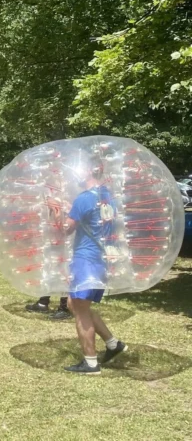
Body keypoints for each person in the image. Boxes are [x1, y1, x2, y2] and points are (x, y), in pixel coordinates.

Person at [49, 157, 127, 374]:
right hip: (102, 259)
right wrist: (69, 209)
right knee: (76, 305)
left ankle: (90, 362)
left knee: (80, 309)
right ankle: (113, 344)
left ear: (87, 173)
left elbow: (65, 229)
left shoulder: (84, 198)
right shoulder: (106, 196)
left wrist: (56, 212)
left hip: (86, 260)